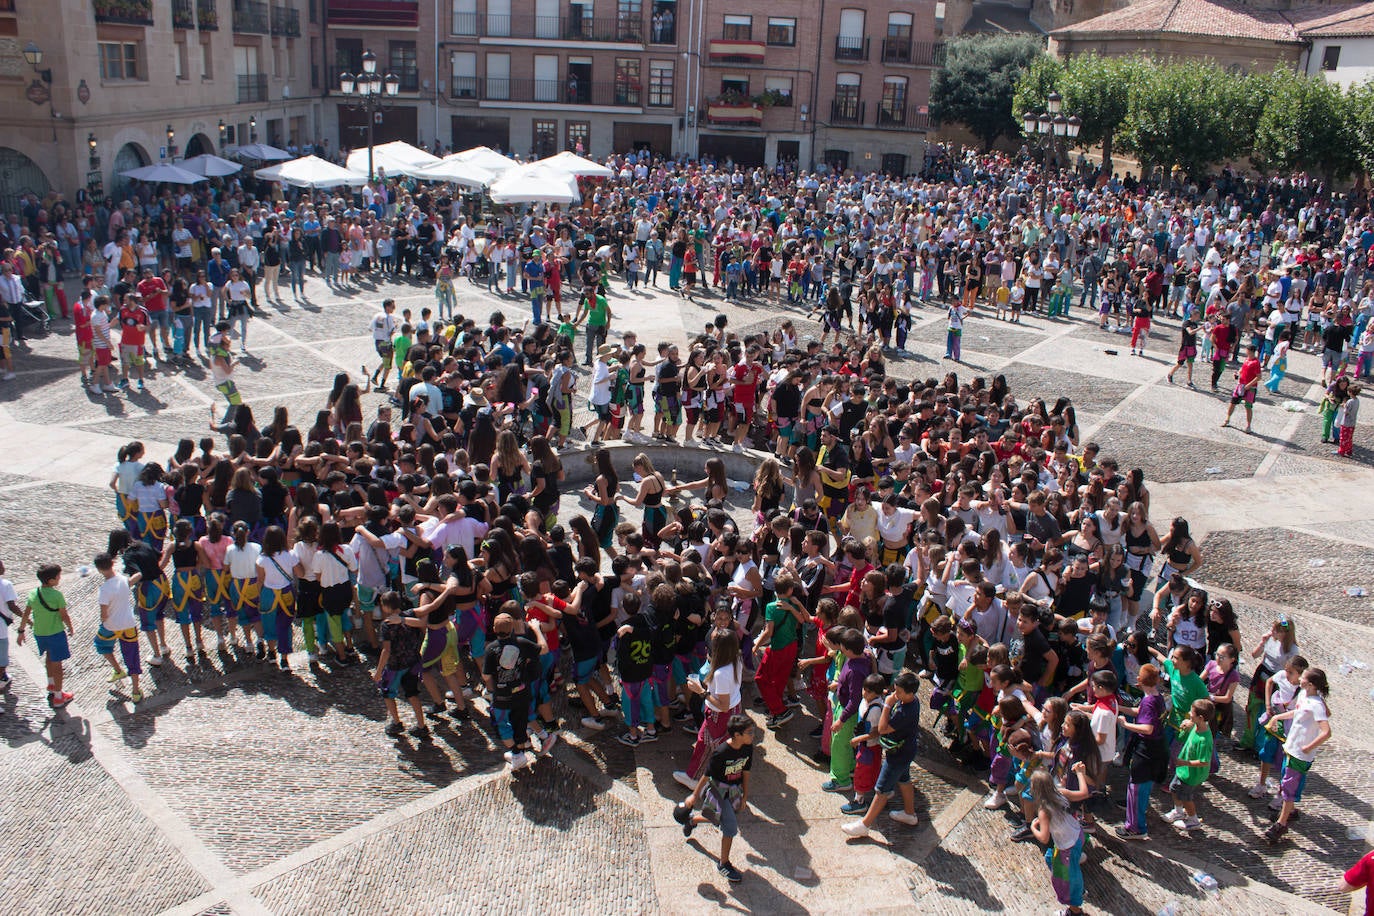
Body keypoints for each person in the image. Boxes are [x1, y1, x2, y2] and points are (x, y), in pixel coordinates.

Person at [673, 714, 754, 884]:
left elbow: (746, 772)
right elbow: (706, 776)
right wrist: (694, 795)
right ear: (737, 735)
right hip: (718, 791)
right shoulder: (721, 752)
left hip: (734, 790)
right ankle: (724, 864)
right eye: (749, 732)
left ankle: (692, 820)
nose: (753, 735)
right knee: (730, 827)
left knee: (715, 817)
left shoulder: (748, 747)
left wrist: (745, 796)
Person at [841, 670, 923, 836]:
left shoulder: (904, 712)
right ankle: (909, 814)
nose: (895, 694)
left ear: (910, 693)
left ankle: (865, 825)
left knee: (882, 789)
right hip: (906, 750)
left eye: (899, 692)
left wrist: (887, 705)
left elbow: (883, 729)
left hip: (898, 755)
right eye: (895, 690)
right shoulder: (912, 702)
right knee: (904, 780)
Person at [1262, 667, 1331, 844]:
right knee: (1286, 782)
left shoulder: (1316, 703)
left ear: (1310, 684)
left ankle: (1281, 823)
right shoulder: (1303, 695)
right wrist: (1279, 717)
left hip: (1300, 754)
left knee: (1289, 788)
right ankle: (1289, 812)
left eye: (1303, 677)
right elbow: (1298, 712)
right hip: (1291, 747)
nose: (1299, 678)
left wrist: (1309, 746)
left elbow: (1326, 732)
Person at [483, 607, 552, 768]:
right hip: (521, 692)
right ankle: (519, 755)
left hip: (502, 696)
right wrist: (536, 630)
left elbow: (486, 676)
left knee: (502, 725)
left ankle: (516, 754)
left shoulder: (491, 649)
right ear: (512, 628)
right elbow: (543, 648)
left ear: (494, 629)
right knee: (520, 724)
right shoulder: (521, 643)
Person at [1027, 769, 1086, 916]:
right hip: (1077, 835)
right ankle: (1078, 863)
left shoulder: (1043, 811)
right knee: (1050, 858)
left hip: (1067, 846)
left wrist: (1033, 827)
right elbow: (1084, 793)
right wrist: (1080, 773)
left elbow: (1044, 838)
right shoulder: (1061, 792)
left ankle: (1075, 910)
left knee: (1067, 879)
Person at [16, 563, 75, 708]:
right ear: (51, 580)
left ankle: (51, 684)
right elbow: (64, 615)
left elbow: (26, 614)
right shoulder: (57, 595)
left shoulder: (33, 593)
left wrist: (21, 631)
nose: (60, 578)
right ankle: (59, 697)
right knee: (57, 665)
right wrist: (70, 627)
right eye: (58, 576)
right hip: (55, 633)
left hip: (39, 633)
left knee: (49, 657)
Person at [374, 590, 430, 741]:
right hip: (412, 662)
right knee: (412, 693)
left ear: (386, 606)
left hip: (395, 666)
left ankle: (396, 722)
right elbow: (423, 623)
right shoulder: (409, 615)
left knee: (387, 692)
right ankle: (421, 725)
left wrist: (378, 671)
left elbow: (386, 650)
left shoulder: (386, 625)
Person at [94, 552, 145, 703]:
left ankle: (117, 670)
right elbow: (134, 579)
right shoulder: (123, 580)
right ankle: (136, 691)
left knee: (101, 645)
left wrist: (103, 621)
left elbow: (103, 613)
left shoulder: (104, 589)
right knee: (132, 657)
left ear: (99, 569)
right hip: (128, 625)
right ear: (112, 563)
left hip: (111, 625)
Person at [1162, 698, 1215, 833]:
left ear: (1201, 717)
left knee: (1186, 797)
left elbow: (1204, 761)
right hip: (1183, 770)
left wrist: (1184, 763)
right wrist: (1188, 723)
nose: (1189, 714)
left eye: (1192, 713)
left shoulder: (1204, 739)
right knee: (1174, 788)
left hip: (1192, 774)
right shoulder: (1196, 725)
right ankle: (1178, 811)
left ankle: (1193, 820)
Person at [1221, 344, 1261, 433]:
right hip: (1240, 385)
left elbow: (1258, 377)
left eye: (1246, 350)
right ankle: (1227, 419)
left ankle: (1248, 426)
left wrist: (1249, 385)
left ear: (1250, 351)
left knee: (1248, 406)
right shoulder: (1247, 359)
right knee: (1233, 402)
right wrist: (1238, 373)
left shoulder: (1256, 362)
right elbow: (1242, 369)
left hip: (1250, 388)